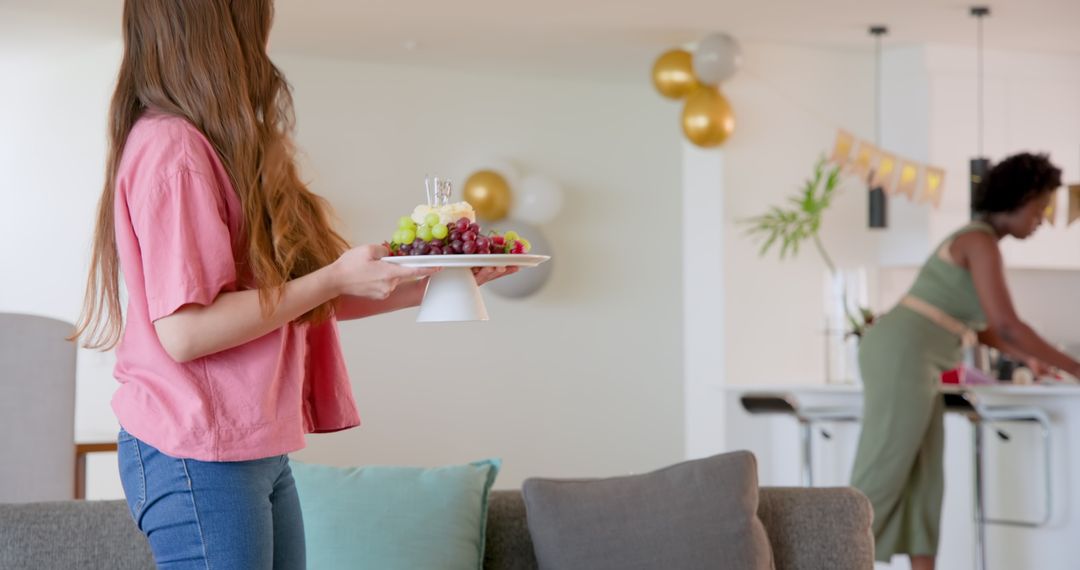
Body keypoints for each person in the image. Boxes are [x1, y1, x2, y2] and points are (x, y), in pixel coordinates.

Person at [72, 1, 513, 567]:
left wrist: (445, 282)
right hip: (196, 446)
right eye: (253, 25)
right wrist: (333, 276)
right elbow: (184, 333)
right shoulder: (172, 149)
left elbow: (298, 300)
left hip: (251, 443)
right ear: (217, 32)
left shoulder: (226, 147)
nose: (261, 43)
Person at [851, 152, 1080, 570]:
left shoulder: (982, 243)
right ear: (1020, 197)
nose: (1042, 219)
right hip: (902, 353)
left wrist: (1037, 359)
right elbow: (1008, 326)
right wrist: (1076, 368)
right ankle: (829, 557)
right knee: (882, 473)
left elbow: (987, 329)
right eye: (1040, 208)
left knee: (925, 479)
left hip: (922, 360)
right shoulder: (979, 241)